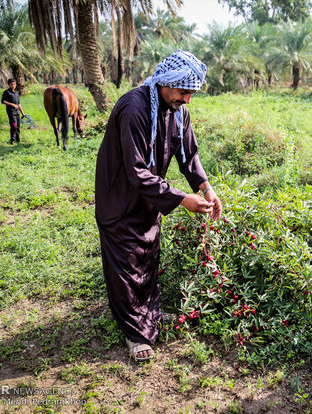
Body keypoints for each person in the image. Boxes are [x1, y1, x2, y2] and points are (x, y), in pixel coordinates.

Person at [95, 50, 222, 362]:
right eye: (183, 92)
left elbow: (189, 155)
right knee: (125, 262)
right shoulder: (133, 107)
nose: (187, 100)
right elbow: (136, 171)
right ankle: (134, 333)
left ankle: (147, 316)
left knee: (147, 255)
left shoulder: (177, 111)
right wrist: (181, 199)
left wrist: (205, 187)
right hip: (120, 197)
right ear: (167, 82)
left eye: (191, 94)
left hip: (149, 197)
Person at [1, 79, 25, 144]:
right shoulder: (6, 92)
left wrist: (23, 113)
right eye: (11, 84)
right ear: (9, 84)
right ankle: (12, 140)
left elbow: (19, 104)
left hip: (17, 112)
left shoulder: (16, 93)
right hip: (11, 111)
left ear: (16, 85)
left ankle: (18, 140)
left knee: (18, 126)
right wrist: (12, 104)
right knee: (13, 126)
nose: (13, 85)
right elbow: (3, 101)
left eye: (14, 84)